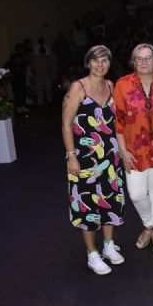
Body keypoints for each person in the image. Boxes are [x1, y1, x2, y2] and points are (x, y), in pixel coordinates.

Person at [61, 45, 125, 275]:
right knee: (87, 204)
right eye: (96, 61)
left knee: (109, 200)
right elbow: (66, 124)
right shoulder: (78, 87)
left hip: (110, 156)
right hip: (84, 158)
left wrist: (122, 152)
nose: (101, 65)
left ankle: (108, 246)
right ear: (88, 63)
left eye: (105, 61)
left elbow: (117, 122)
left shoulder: (111, 85)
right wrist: (71, 157)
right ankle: (91, 254)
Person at [114, 43, 153, 256]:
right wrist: (122, 149)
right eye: (139, 58)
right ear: (133, 62)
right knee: (137, 194)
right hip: (134, 149)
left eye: (148, 58)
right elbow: (118, 121)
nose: (144, 62)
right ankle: (149, 224)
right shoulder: (122, 85)